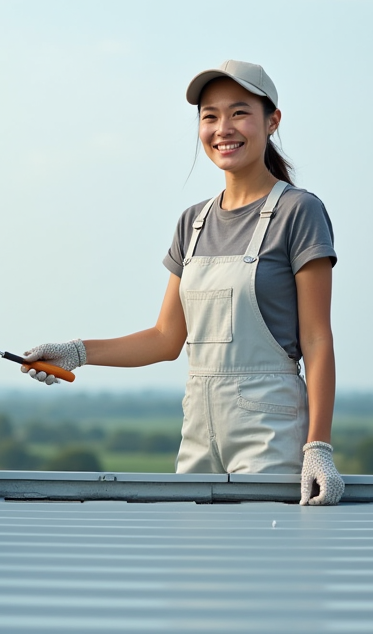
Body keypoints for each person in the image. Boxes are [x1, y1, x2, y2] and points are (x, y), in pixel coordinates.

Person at [22, 60, 344, 506]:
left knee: (265, 564)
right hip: (198, 432)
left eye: (239, 112)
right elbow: (165, 338)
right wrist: (77, 352)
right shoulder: (192, 222)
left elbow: (316, 338)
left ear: (272, 121)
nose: (223, 128)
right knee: (197, 566)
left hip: (269, 430)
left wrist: (318, 448)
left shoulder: (299, 212)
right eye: (209, 115)